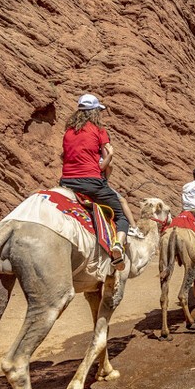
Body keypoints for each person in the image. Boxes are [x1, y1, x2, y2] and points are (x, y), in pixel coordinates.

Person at [60, 93, 129, 268]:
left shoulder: (68, 132)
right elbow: (104, 166)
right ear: (94, 112)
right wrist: (111, 154)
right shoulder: (99, 131)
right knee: (121, 216)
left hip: (67, 182)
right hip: (91, 182)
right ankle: (118, 246)